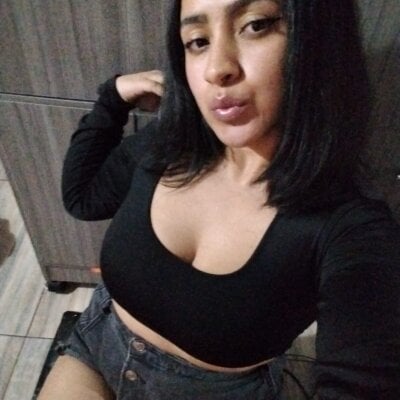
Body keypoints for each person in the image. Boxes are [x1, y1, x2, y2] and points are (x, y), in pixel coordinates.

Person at [39, 0, 400, 399]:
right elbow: (82, 198)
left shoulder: (352, 229)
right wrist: (112, 99)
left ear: (319, 39)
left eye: (255, 25)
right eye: (198, 41)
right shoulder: (168, 145)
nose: (217, 69)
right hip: (99, 345)